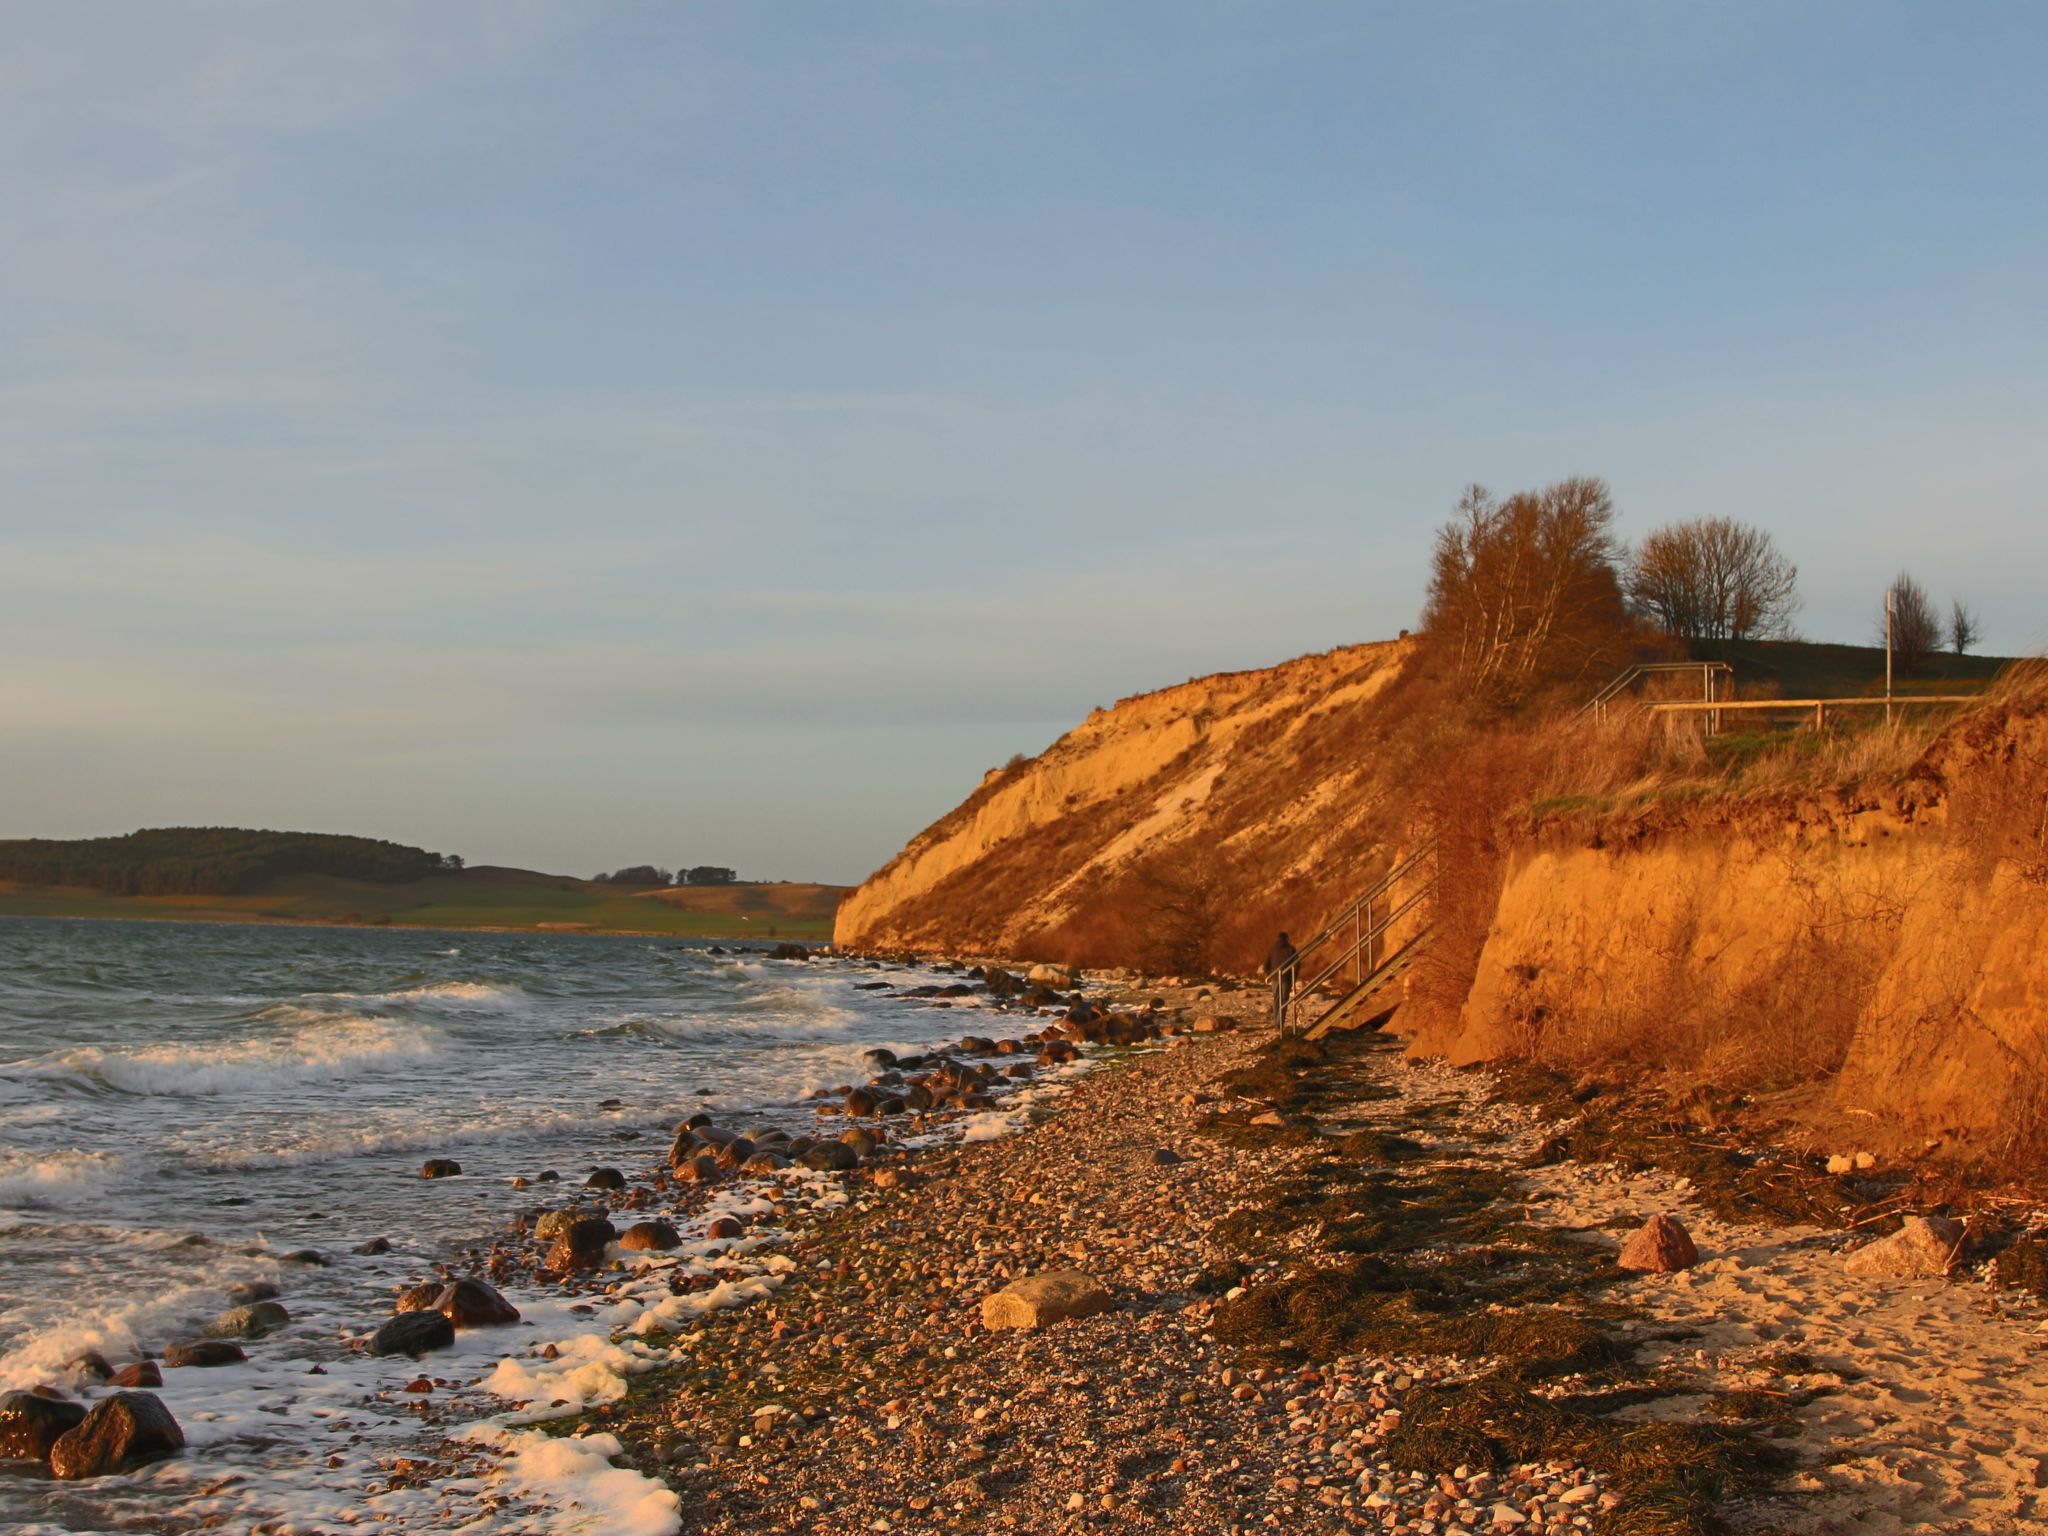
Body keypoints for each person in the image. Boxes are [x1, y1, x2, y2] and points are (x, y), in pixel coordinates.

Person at [1263, 930, 1299, 1027]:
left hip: (1274, 978)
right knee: (1284, 1000)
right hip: (1286, 978)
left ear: (1277, 938)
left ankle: (1276, 1022)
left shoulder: (1272, 948)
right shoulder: (1291, 949)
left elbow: (1266, 964)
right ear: (1286, 939)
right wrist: (1293, 979)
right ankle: (1279, 1023)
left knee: (1276, 1000)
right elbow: (1297, 964)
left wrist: (1269, 974)